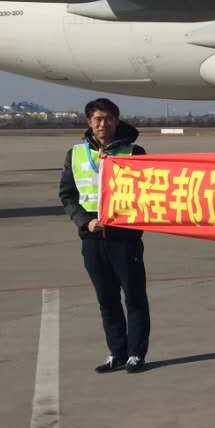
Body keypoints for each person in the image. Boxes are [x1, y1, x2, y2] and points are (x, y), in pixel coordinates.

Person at [59, 98, 151, 374]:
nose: (103, 124)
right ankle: (117, 353)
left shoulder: (134, 152)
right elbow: (67, 195)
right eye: (98, 119)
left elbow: (148, 192)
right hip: (92, 238)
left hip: (125, 238)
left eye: (109, 118)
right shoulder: (75, 154)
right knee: (106, 298)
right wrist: (84, 222)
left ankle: (136, 354)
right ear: (89, 122)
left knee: (134, 297)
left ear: (117, 121)